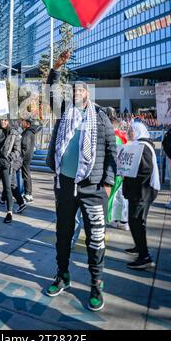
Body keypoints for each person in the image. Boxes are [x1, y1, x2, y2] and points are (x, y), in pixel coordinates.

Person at [45, 50, 117, 312]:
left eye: (81, 89)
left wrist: (107, 183)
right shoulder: (65, 112)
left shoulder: (100, 116)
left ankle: (96, 284)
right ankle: (62, 275)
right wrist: (56, 68)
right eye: (74, 88)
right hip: (65, 185)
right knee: (63, 234)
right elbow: (51, 91)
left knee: (95, 238)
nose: (76, 92)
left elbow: (111, 150)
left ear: (88, 93)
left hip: (93, 188)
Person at [122, 120, 160, 270]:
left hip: (142, 192)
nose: (129, 132)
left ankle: (144, 256)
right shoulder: (142, 144)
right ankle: (139, 247)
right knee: (137, 222)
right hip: (142, 191)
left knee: (136, 222)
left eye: (132, 130)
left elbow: (145, 169)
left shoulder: (142, 146)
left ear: (138, 131)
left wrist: (128, 173)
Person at [105, 108, 129, 231]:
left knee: (112, 196)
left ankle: (110, 218)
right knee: (118, 197)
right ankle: (119, 220)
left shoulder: (114, 137)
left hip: (114, 171)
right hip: (120, 172)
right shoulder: (122, 137)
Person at [20, 118, 39, 203]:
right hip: (28, 156)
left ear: (27, 124)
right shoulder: (31, 131)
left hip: (25, 157)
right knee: (27, 174)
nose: (21, 123)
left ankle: (27, 194)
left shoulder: (27, 132)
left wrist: (21, 155)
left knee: (25, 175)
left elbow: (24, 145)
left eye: (22, 121)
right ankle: (28, 194)